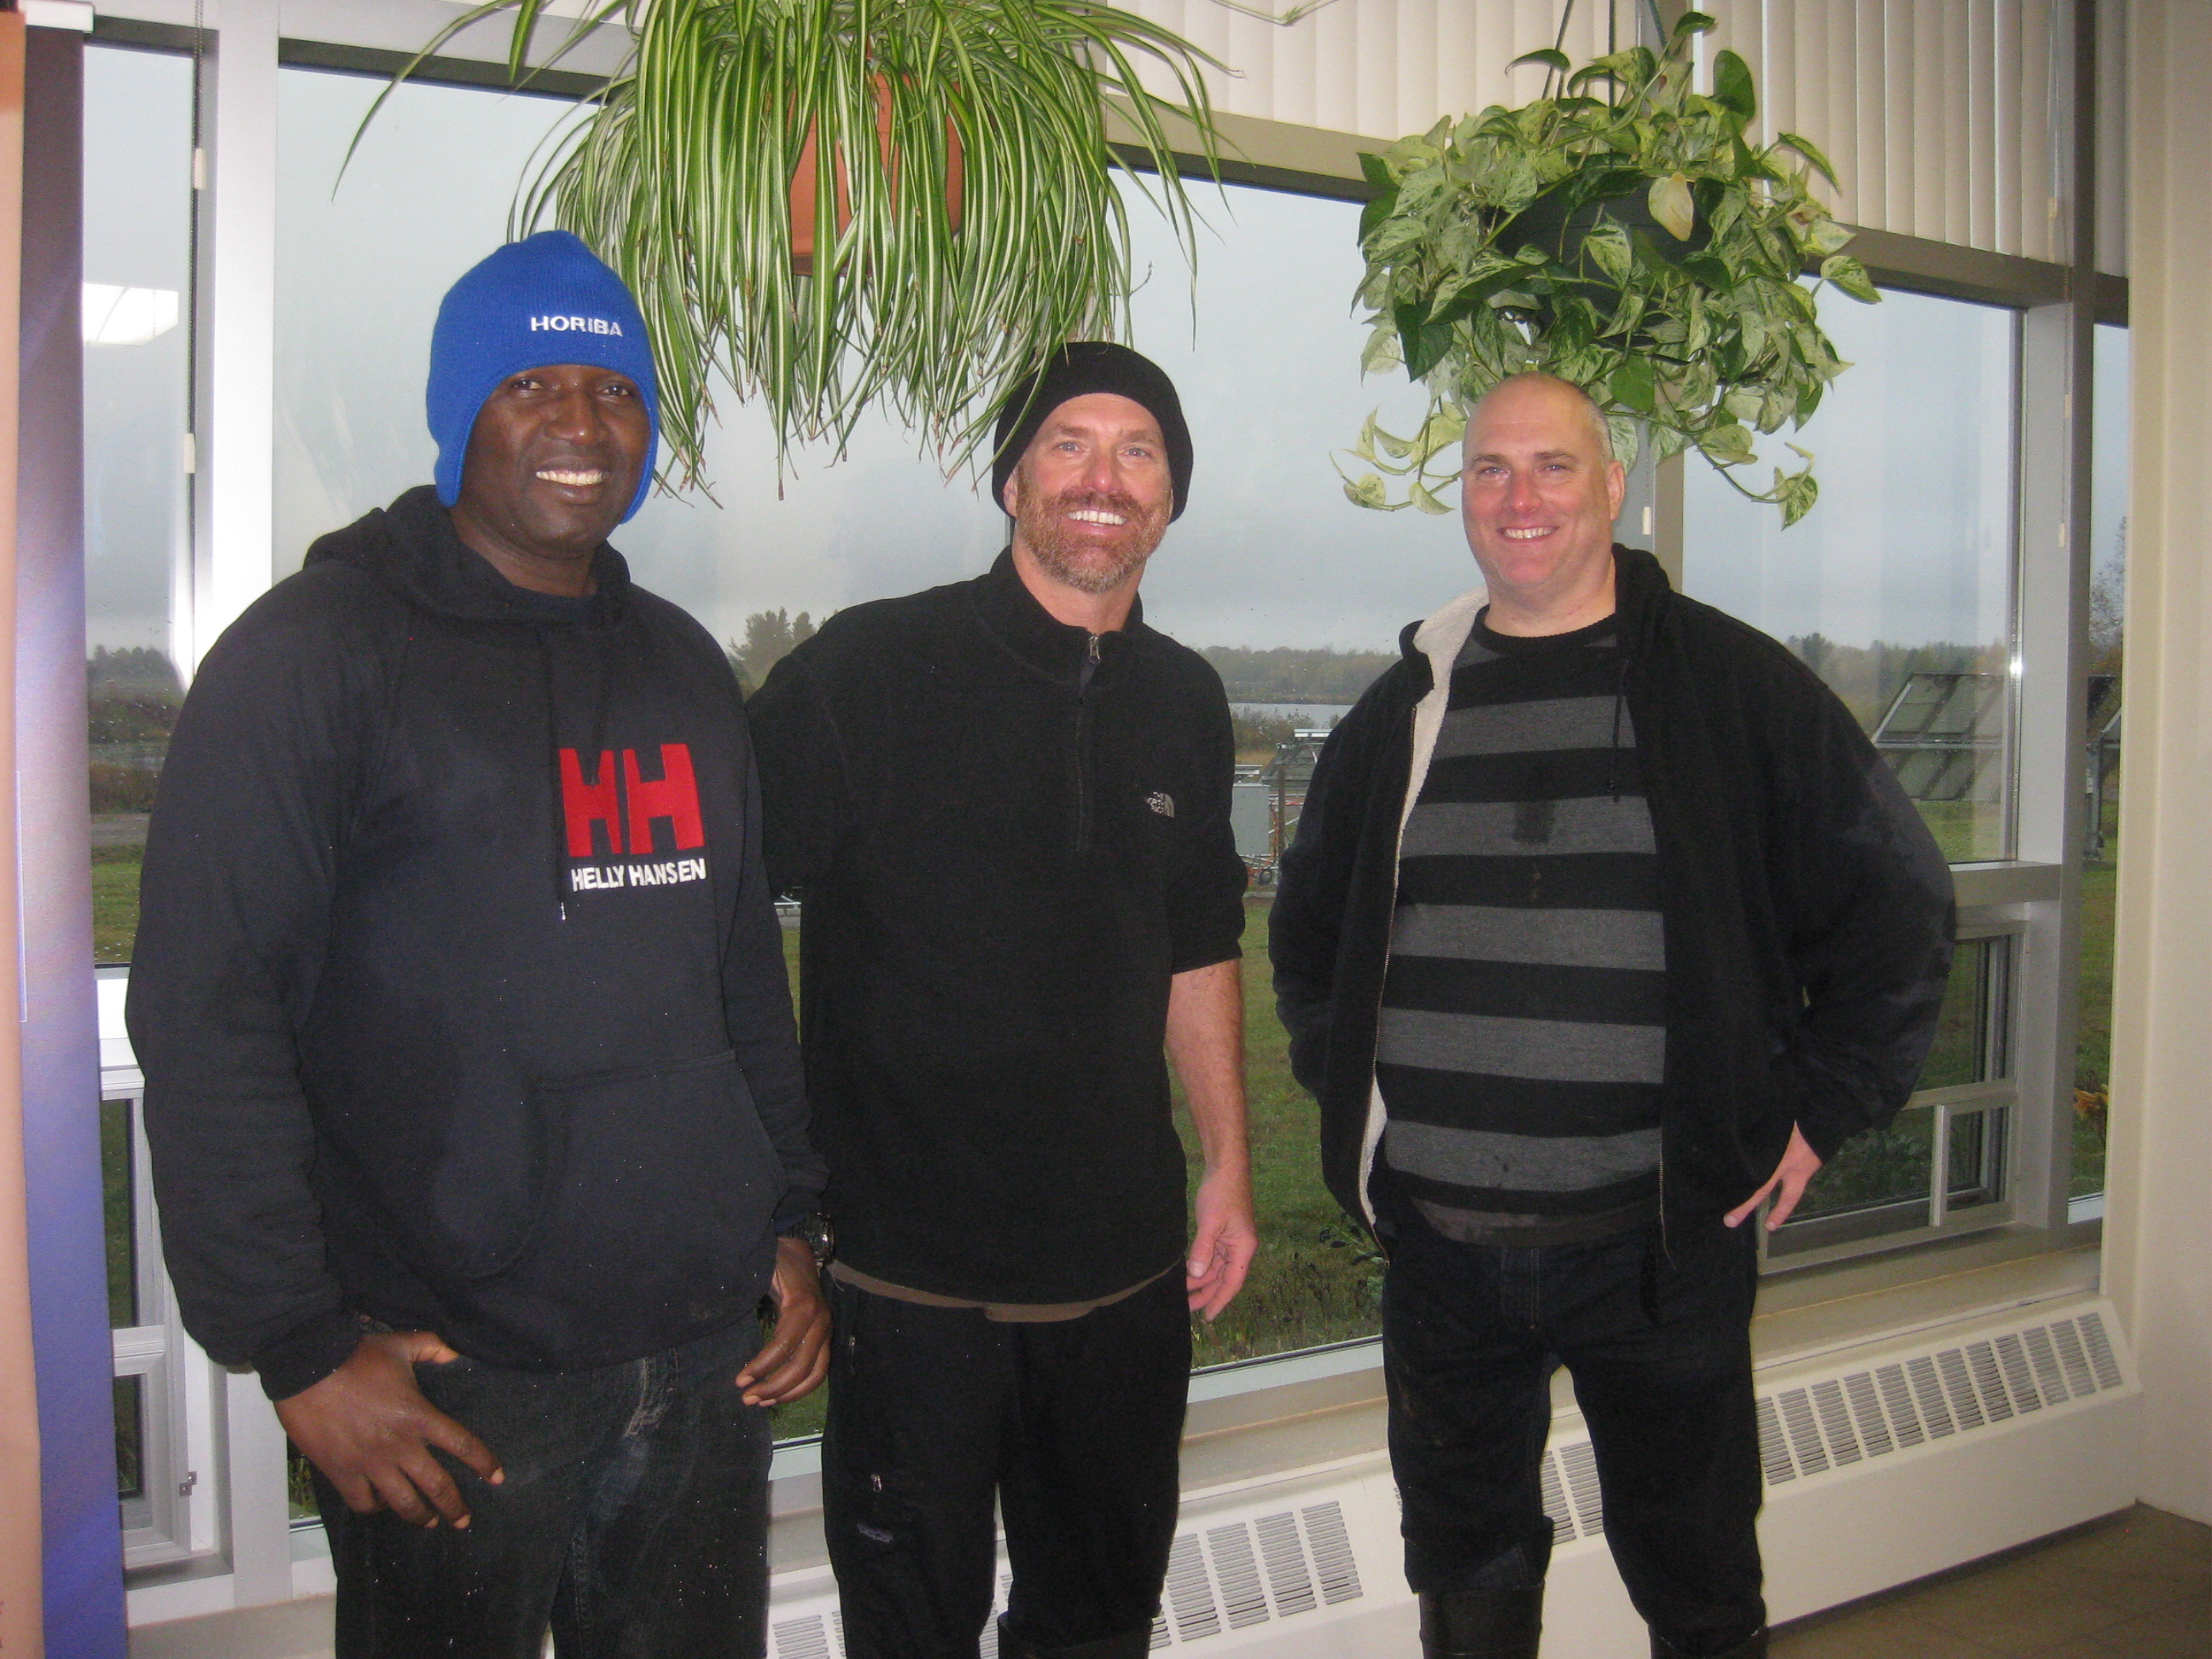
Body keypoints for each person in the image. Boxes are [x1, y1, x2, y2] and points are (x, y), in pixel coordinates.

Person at [127, 230, 830, 1659]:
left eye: (616, 391)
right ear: (461, 413)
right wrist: (300, 1349)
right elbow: (209, 1010)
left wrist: (794, 1224)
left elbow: (739, 978)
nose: (582, 424)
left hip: (703, 1357)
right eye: (533, 385)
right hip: (451, 1375)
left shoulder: (684, 669)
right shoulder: (314, 656)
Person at [1269, 373, 1954, 1659]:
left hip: (1661, 1248)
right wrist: (1350, 1080)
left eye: (1554, 465)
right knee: (1465, 1564)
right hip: (1442, 1255)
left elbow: (1901, 903)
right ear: (1463, 494)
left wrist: (1821, 1108)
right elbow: (1308, 929)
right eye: (1490, 468)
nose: (1519, 496)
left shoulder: (1729, 685)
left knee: (1698, 1582)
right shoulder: (1405, 706)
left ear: (1613, 485)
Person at [747, 341, 1257, 1659]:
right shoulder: (868, 673)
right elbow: (714, 919)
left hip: (1125, 1285)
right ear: (1012, 480)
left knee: (1096, 1629)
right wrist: (773, 1209)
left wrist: (1229, 1164)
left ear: (1171, 498)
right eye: (1068, 444)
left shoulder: (1186, 703)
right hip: (910, 1292)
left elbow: (1199, 944)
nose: (1103, 477)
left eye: (1138, 451)